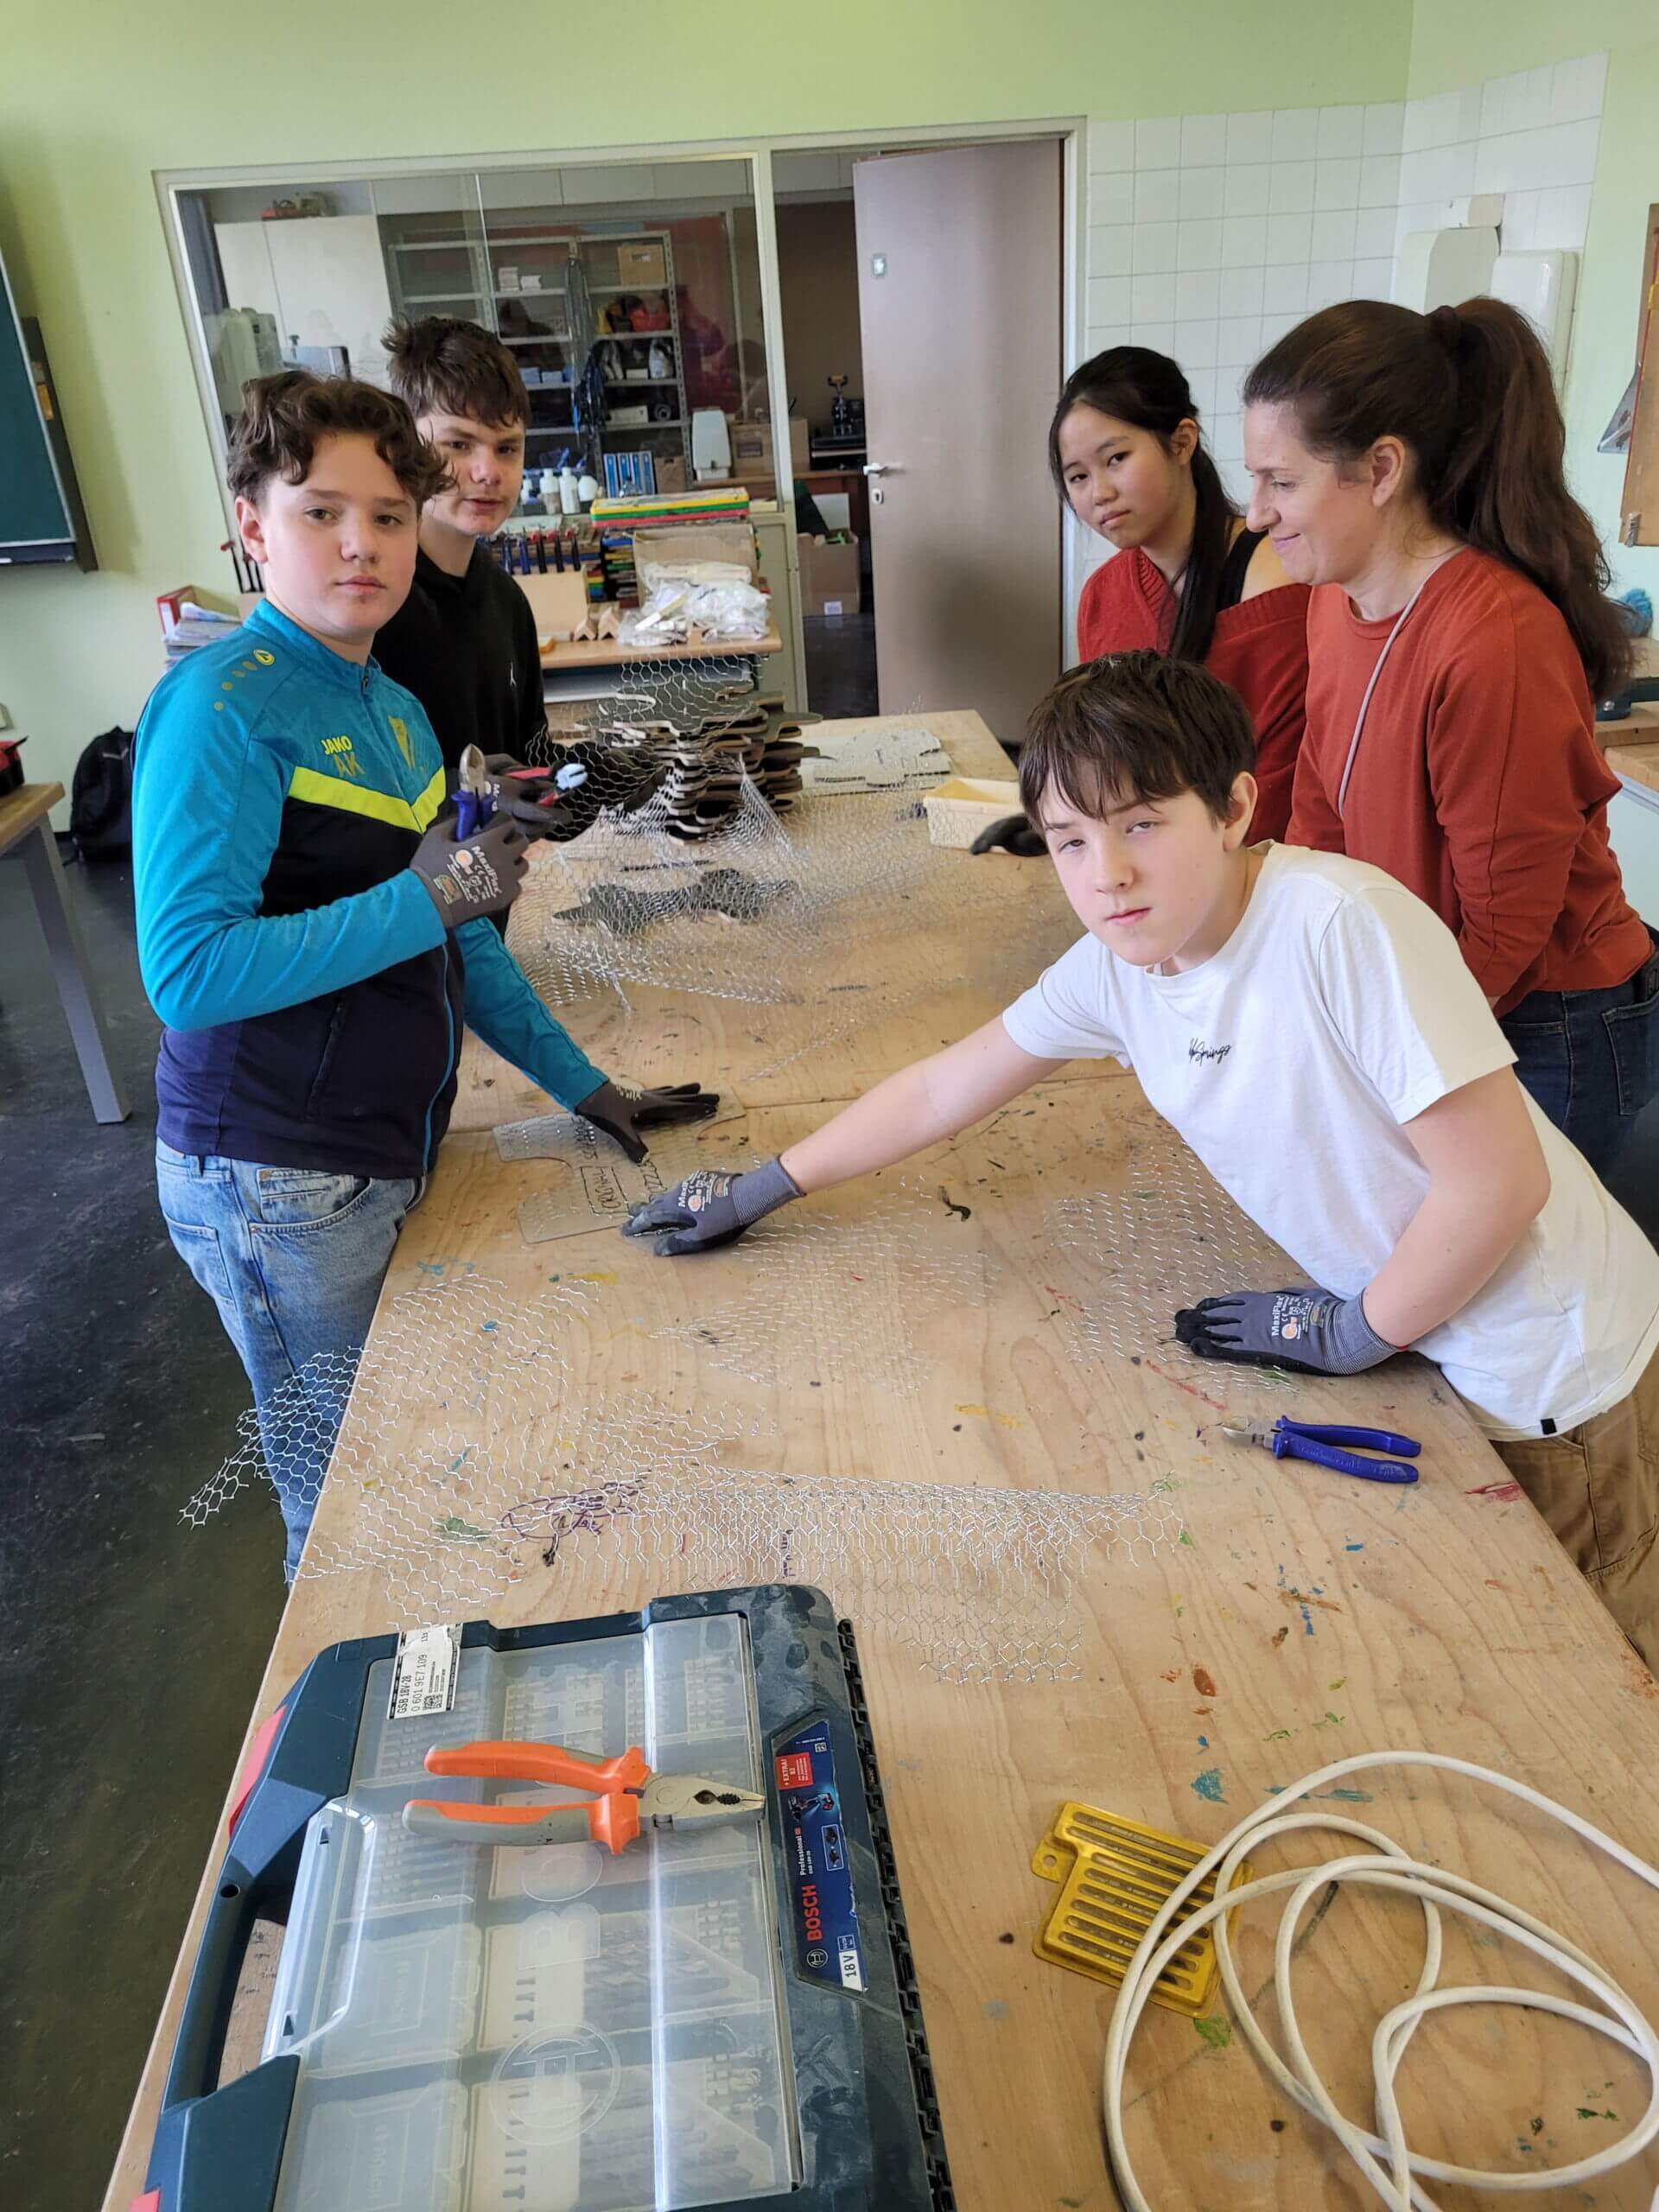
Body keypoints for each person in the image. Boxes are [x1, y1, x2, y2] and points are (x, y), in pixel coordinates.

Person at [625, 652, 1659, 1662]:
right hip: (1420, 1318)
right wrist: (763, 1185)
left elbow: (1498, 1184)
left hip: (1541, 1357)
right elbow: (945, 1086)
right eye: (1069, 840)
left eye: (1142, 824)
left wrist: (1353, 1330)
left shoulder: (1339, 926)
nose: (1106, 874)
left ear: (1235, 808)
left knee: (1598, 1653)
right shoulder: (1123, 967)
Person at [133, 372, 715, 1577]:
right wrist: (433, 894)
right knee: (347, 1508)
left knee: (407, 1465)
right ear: (252, 527)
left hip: (383, 1145)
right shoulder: (219, 711)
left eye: (389, 515)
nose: (362, 544)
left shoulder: (392, 708)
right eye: (321, 512)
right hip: (276, 1174)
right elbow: (188, 973)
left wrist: (582, 1085)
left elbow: (457, 936)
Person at [1241, 298, 1658, 1177]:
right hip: (1435, 996)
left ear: (1381, 469)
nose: (1255, 513)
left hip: (1545, 1021)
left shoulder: (1493, 638)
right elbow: (1321, 820)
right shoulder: (1334, 601)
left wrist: (1384, 1059)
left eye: (1281, 481)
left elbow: (1506, 928)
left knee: (1510, 1260)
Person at [976, 347, 1309, 855]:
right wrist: (1062, 828)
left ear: (1181, 442)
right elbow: (1109, 761)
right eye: (1078, 477)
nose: (1099, 493)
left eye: (1116, 459)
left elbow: (1281, 798)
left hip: (1248, 871)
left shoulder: (1276, 585)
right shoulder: (1103, 596)